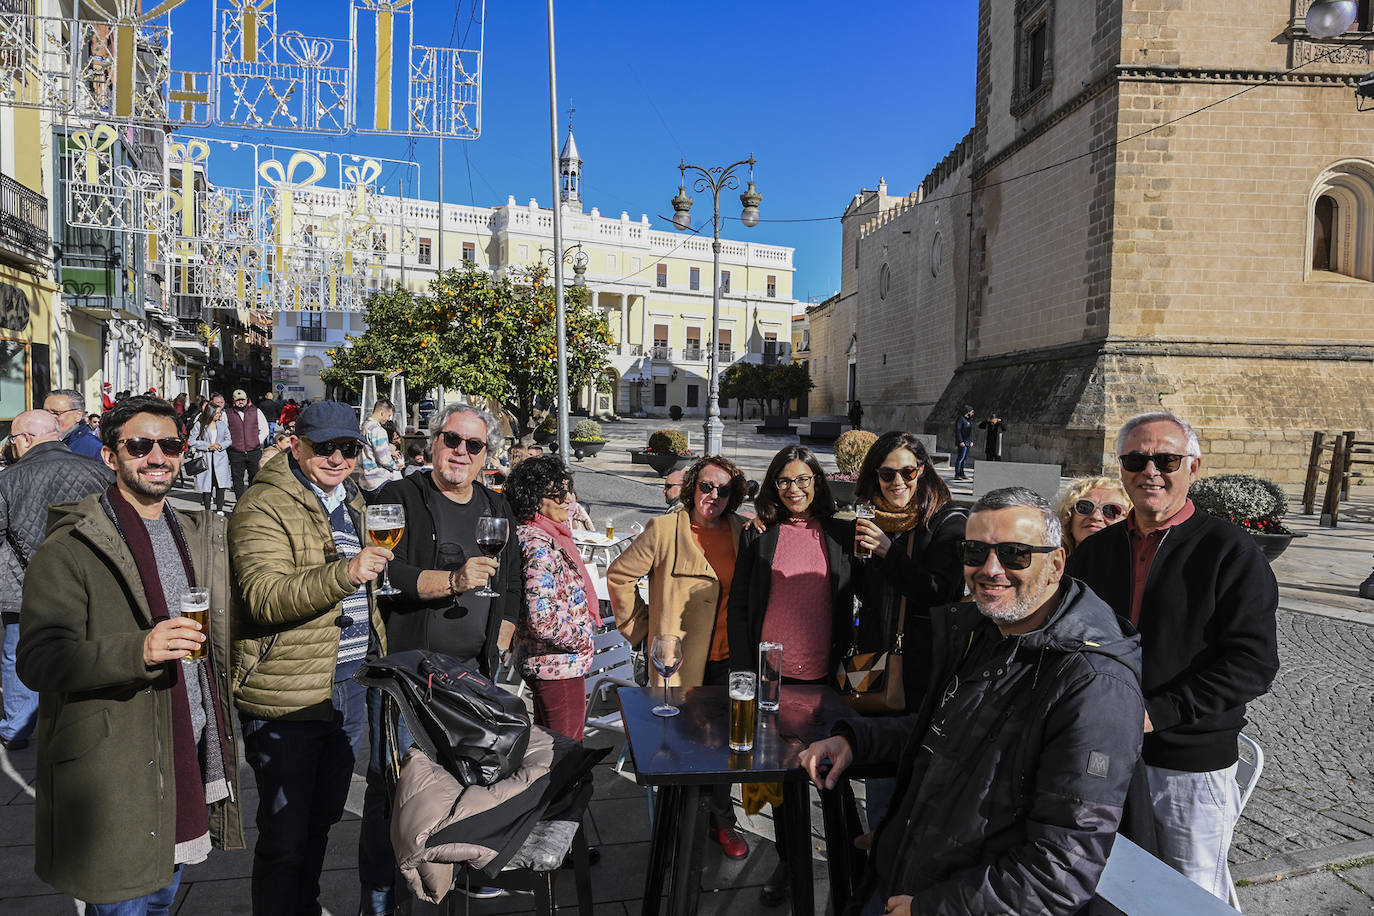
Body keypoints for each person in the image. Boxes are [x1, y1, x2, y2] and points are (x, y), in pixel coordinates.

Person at [799, 487, 1144, 916]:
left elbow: (1062, 868)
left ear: (1055, 563)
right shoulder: (990, 629)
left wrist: (932, 908)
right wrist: (856, 741)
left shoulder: (1093, 682)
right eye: (975, 551)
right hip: (909, 873)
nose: (991, 569)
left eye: (1015, 553)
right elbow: (947, 730)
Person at [17, 395, 242, 912]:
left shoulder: (194, 532)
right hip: (119, 765)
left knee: (162, 900)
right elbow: (39, 659)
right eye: (139, 445)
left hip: (187, 744)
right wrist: (140, 647)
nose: (157, 457)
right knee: (124, 905)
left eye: (170, 445)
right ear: (109, 456)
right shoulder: (72, 546)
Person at [1067, 411, 1280, 900]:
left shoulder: (1231, 551)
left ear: (1194, 467)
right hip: (1102, 752)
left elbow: (1252, 663)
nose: (1151, 471)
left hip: (1188, 759)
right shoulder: (1096, 551)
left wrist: (1154, 714)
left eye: (1166, 459)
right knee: (1110, 885)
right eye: (1136, 459)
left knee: (1189, 893)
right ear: (1122, 469)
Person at [228, 400, 391, 916]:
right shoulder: (263, 505)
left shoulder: (355, 502)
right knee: (284, 834)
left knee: (322, 819)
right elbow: (263, 596)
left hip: (350, 682)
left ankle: (306, 904)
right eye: (325, 448)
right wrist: (347, 574)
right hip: (289, 690)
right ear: (295, 445)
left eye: (348, 448)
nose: (338, 458)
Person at [359, 403, 523, 911]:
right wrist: (453, 582)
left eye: (473, 446)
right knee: (396, 795)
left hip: (472, 676)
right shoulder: (399, 495)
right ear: (432, 442)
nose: (460, 453)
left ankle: (447, 885)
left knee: (461, 787)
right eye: (452, 440)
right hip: (411, 676)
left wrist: (499, 649)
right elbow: (389, 574)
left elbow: (512, 586)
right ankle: (381, 900)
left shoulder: (498, 509)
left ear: (485, 456)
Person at [728, 443, 854, 904]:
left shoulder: (840, 534)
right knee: (778, 779)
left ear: (817, 482)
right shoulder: (760, 533)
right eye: (785, 481)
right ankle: (787, 860)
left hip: (823, 677)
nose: (795, 489)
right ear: (773, 486)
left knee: (833, 774)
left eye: (803, 480)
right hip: (769, 679)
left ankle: (847, 859)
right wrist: (743, 675)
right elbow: (740, 605)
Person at [608, 456, 752, 859]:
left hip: (729, 659)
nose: (714, 496)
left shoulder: (741, 531)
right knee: (679, 749)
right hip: (681, 661)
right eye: (707, 486)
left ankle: (721, 821)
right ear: (692, 488)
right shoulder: (665, 529)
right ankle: (676, 823)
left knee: (725, 748)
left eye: (724, 490)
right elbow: (620, 576)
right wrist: (641, 630)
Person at [848, 431, 967, 828]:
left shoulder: (947, 522)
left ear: (922, 471)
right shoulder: (872, 521)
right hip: (872, 666)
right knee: (879, 786)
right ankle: (875, 867)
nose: (898, 482)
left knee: (918, 791)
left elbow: (939, 592)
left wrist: (887, 552)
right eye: (887, 474)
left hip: (922, 675)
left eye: (908, 472)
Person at [0, 410, 113, 751]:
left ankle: (17, 729)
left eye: (13, 439)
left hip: (22, 586)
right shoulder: (99, 472)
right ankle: (81, 720)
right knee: (85, 644)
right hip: (88, 580)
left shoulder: (8, 479)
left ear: (26, 440)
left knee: (18, 652)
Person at [507, 455, 600, 741]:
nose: (566, 500)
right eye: (556, 494)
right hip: (557, 667)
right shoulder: (539, 544)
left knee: (548, 748)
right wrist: (582, 638)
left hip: (550, 665)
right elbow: (543, 619)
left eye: (568, 490)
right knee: (566, 755)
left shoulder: (545, 535)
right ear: (533, 498)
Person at [1056, 475, 1131, 554]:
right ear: (1069, 518)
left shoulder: (1136, 566)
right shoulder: (1050, 565)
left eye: (1110, 510)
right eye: (1085, 507)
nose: (1096, 516)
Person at [188, 398, 232, 513]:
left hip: (220, 458)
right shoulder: (199, 424)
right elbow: (191, 441)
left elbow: (229, 440)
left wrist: (220, 445)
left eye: (220, 412)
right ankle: (207, 509)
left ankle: (219, 509)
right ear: (210, 413)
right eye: (217, 413)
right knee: (207, 485)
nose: (219, 415)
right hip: (205, 457)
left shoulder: (222, 424)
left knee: (220, 485)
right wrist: (207, 446)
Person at [224, 389, 269, 498]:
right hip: (235, 452)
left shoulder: (256, 411)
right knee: (237, 478)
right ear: (233, 401)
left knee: (255, 477)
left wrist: (257, 441)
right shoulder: (227, 413)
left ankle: (251, 499)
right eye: (238, 400)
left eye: (242, 400)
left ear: (247, 400)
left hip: (254, 451)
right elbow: (224, 431)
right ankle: (239, 500)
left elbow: (264, 429)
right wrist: (230, 443)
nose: (240, 402)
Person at [44, 388, 103, 460]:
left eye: (56, 413)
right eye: (45, 413)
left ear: (78, 415)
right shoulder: (37, 443)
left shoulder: (94, 448)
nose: (49, 417)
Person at [360, 399, 401, 493]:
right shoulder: (379, 430)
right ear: (382, 413)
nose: (389, 419)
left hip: (365, 480)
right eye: (389, 415)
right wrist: (396, 466)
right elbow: (384, 459)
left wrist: (389, 451)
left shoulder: (364, 426)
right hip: (379, 480)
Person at [952, 404, 975, 480]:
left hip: (968, 442)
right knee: (960, 458)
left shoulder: (969, 420)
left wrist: (971, 440)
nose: (972, 413)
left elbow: (970, 431)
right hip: (963, 442)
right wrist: (960, 441)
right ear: (967, 411)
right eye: (971, 411)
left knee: (965, 459)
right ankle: (957, 474)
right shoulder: (961, 419)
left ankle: (962, 473)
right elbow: (958, 431)